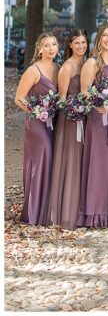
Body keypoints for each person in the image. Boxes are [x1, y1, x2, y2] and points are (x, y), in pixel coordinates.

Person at [78, 22, 108, 227]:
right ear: (99, 38)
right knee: (99, 161)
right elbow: (84, 91)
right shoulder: (92, 62)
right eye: (105, 35)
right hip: (98, 116)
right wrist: (97, 105)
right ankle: (95, 212)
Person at [14, 32, 59, 225]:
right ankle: (33, 212)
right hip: (36, 124)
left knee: (51, 161)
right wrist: (36, 110)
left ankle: (46, 210)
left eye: (54, 44)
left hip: (53, 121)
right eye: (47, 45)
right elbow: (18, 98)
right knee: (42, 159)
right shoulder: (33, 70)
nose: (51, 48)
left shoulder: (58, 68)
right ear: (39, 49)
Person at [47, 28, 89, 229]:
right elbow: (61, 99)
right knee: (71, 162)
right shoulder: (67, 67)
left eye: (83, 42)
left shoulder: (87, 63)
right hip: (70, 119)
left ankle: (80, 210)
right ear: (70, 45)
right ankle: (65, 212)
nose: (81, 46)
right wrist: (75, 111)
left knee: (82, 162)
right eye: (77, 43)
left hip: (85, 116)